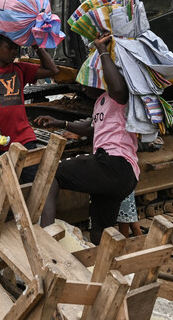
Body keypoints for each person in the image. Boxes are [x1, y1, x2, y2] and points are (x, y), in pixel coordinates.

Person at [38, 32, 139, 245]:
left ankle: (46, 239)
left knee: (51, 173)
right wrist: (61, 123)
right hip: (121, 177)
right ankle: (101, 271)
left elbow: (118, 86)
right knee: (100, 233)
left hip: (115, 164)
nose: (83, 87)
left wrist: (102, 50)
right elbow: (93, 129)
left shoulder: (118, 96)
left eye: (87, 82)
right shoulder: (101, 102)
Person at [0, 34, 59, 192]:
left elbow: (52, 70)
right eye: (9, 47)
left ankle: (31, 215)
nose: (14, 52)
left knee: (33, 181)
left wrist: (36, 46)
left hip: (22, 135)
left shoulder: (20, 68)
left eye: (17, 48)